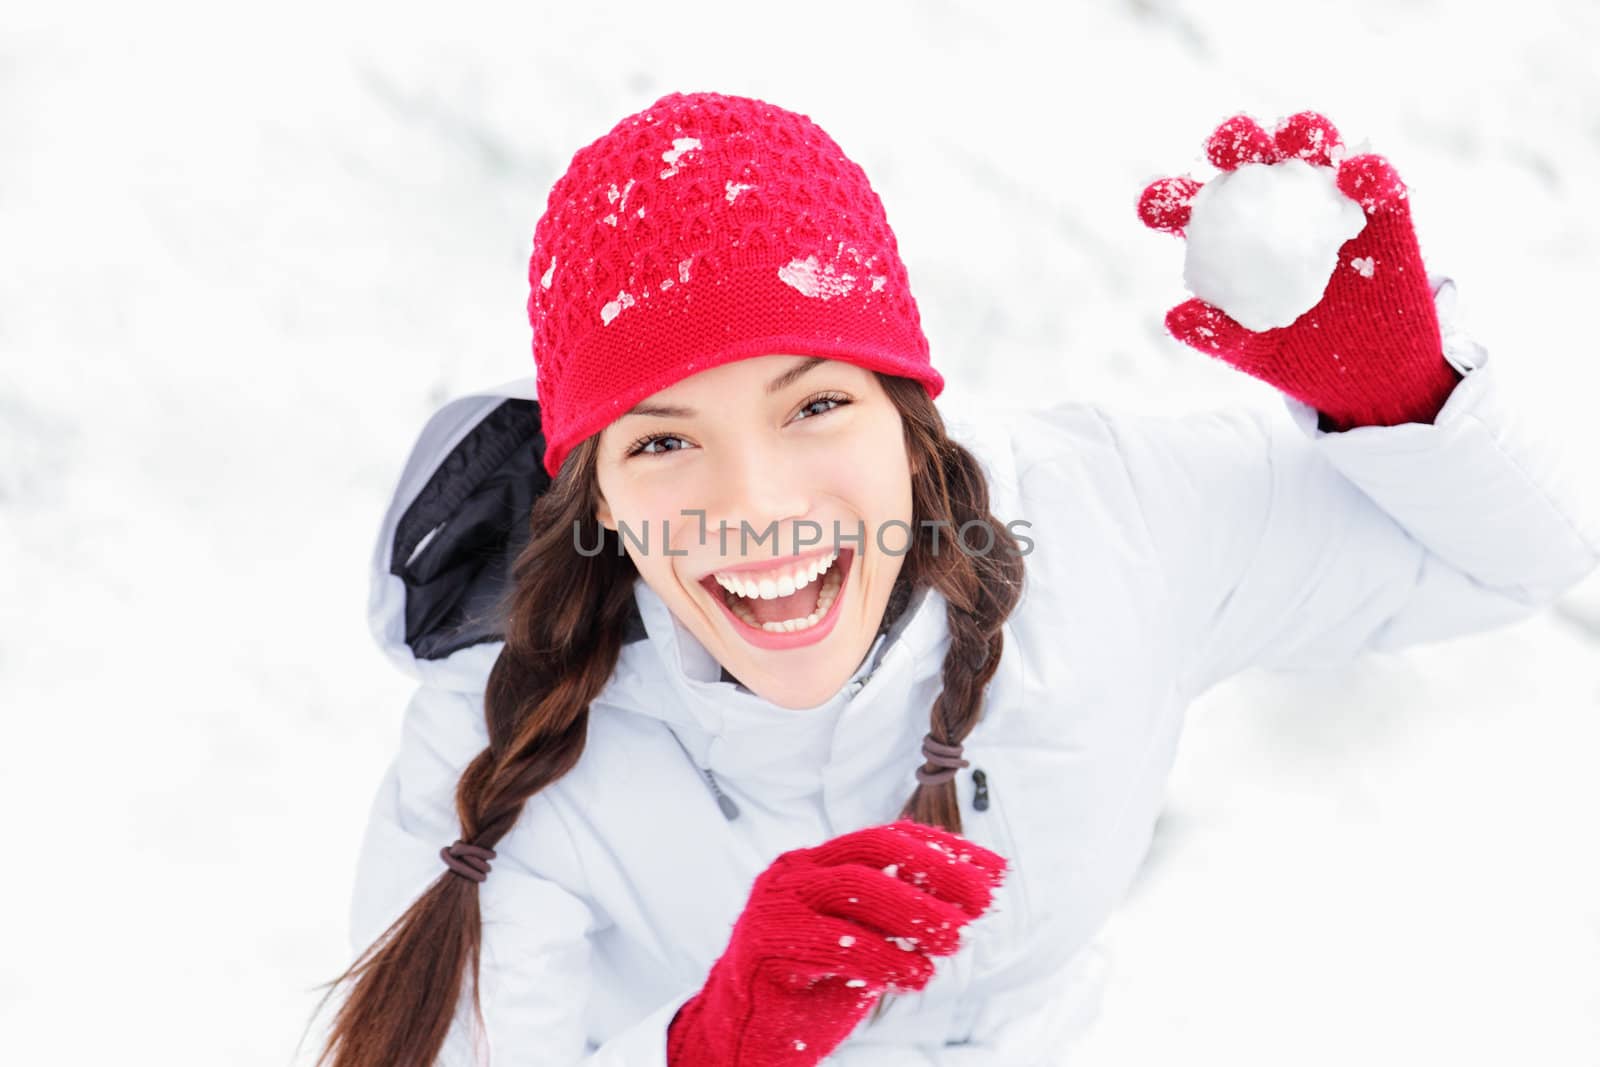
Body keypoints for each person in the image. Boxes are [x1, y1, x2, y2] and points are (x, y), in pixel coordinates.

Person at [309, 92, 1600, 1066]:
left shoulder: (1106, 524)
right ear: (594, 488)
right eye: (661, 441)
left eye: (814, 405)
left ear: (911, 416)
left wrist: (1399, 397)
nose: (754, 508)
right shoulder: (501, 741)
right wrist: (710, 1047)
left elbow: (1510, 560)